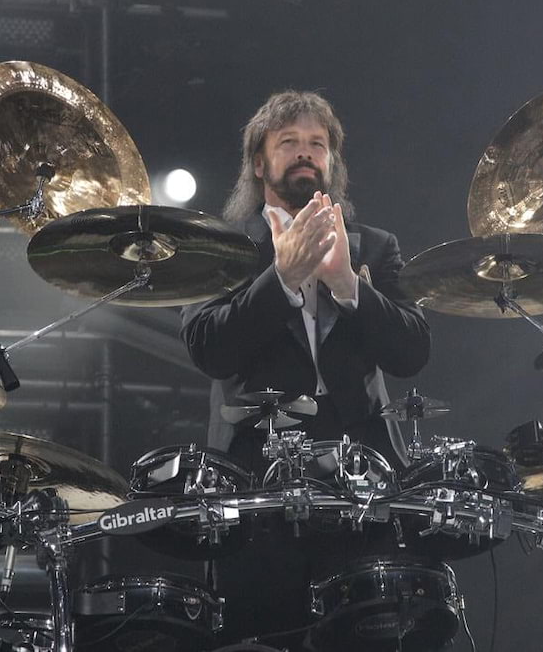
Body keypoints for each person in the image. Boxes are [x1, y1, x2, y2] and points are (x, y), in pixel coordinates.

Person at [180, 90, 431, 647]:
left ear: (331, 161)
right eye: (288, 141)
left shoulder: (376, 247)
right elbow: (208, 349)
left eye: (317, 144)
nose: (305, 153)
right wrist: (283, 279)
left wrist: (347, 284)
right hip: (255, 482)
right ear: (258, 162)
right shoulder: (221, 246)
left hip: (364, 483)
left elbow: (411, 353)